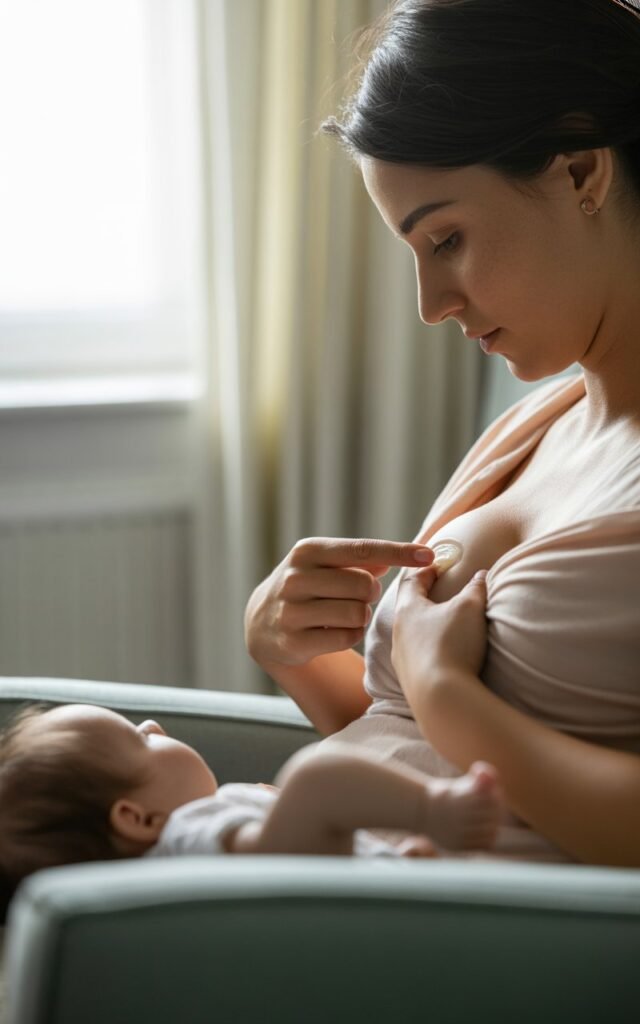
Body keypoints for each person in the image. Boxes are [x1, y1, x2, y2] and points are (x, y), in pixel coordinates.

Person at [244, 0, 640, 866]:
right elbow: (421, 761)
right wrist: (291, 652)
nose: (432, 305)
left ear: (580, 175)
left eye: (447, 238)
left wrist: (440, 682)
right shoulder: (540, 427)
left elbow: (455, 727)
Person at [0, 695, 503, 898]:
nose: (153, 723)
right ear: (136, 817)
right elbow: (303, 828)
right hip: (363, 936)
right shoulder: (186, 839)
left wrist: (389, 862)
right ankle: (442, 807)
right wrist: (429, 811)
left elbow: (318, 866)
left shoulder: (188, 858)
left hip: (369, 920)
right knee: (314, 777)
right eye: (141, 739)